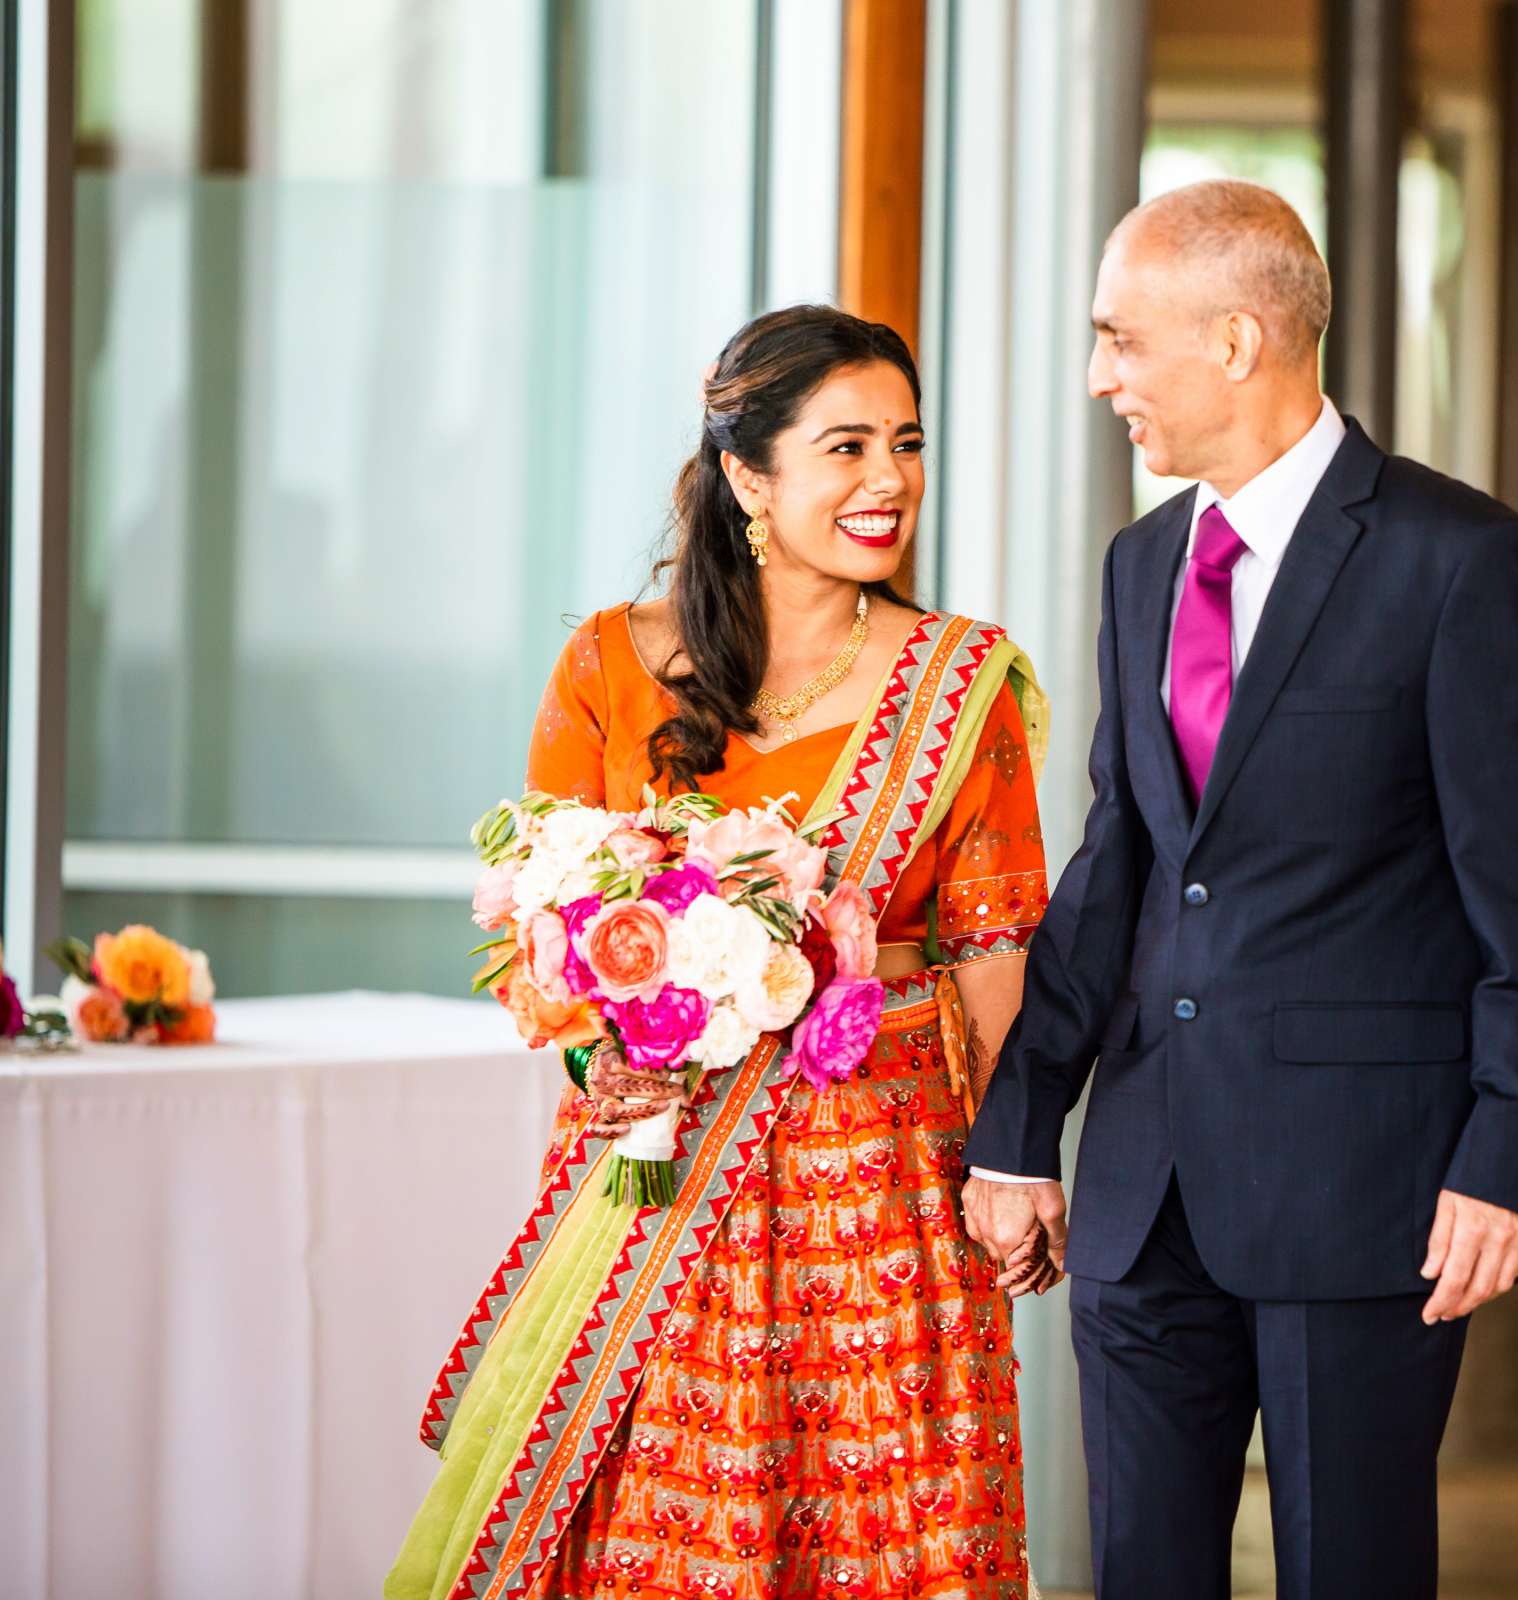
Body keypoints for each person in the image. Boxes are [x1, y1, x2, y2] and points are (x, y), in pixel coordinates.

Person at [960, 180, 1518, 1599]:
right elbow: (1119, 862)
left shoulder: (1459, 560)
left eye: (1122, 340)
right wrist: (1021, 1125)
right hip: (1142, 1190)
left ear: (1238, 342)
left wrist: (1510, 1157)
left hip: (1362, 1184)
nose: (1099, 378)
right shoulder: (1141, 567)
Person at [388, 306, 1055, 1600]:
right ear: (750, 476)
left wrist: (1014, 1164)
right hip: (657, 1172)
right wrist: (599, 1069)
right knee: (659, 1512)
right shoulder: (607, 665)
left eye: (906, 445)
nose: (890, 482)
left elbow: (993, 947)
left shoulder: (957, 682)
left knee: (885, 1520)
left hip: (881, 1176)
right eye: (847, 448)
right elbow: (541, 929)